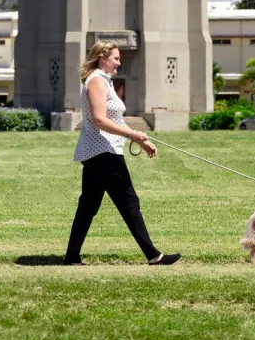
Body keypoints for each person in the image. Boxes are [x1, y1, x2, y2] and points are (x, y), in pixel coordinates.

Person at [64, 40, 181, 266]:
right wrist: (132, 136)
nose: (119, 63)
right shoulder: (97, 81)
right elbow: (99, 120)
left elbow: (113, 119)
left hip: (97, 152)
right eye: (116, 58)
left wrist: (140, 139)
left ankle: (71, 257)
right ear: (103, 58)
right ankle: (154, 256)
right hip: (103, 152)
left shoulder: (102, 81)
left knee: (88, 206)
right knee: (129, 202)